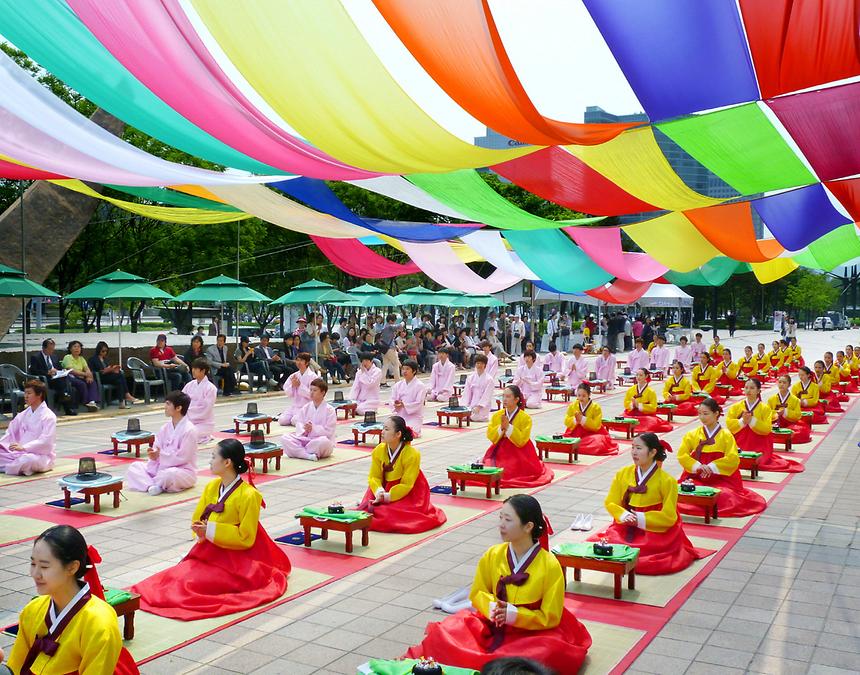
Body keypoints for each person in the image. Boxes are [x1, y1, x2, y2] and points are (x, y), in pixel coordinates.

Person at [405, 495, 591, 674]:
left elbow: (551, 616)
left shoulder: (549, 565)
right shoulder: (493, 554)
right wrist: (492, 608)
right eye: (500, 517)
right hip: (491, 624)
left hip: (531, 631)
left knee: (546, 652)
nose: (501, 524)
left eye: (508, 520)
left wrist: (516, 615)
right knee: (446, 632)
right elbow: (477, 592)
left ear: (528, 526)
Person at [132, 439, 291, 620]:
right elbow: (199, 517)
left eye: (213, 457)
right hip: (208, 551)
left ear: (227, 462)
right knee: (175, 577)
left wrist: (211, 530)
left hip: (236, 560)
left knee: (190, 585)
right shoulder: (212, 486)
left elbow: (246, 537)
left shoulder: (250, 495)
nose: (210, 461)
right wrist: (200, 529)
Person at [3, 525, 131, 675]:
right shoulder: (33, 609)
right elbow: (15, 667)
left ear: (72, 567)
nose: (35, 573)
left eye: (44, 566)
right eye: (33, 564)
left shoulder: (100, 622)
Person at [589, 433, 712, 574]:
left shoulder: (667, 481)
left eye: (639, 448)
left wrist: (641, 519)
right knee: (613, 549)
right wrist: (623, 515)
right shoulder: (622, 473)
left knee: (647, 559)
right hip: (626, 525)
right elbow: (611, 501)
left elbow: (670, 515)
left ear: (653, 452)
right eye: (632, 447)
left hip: (654, 530)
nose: (634, 452)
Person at [676, 398, 766, 518]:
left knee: (725, 496)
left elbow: (733, 458)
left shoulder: (726, 435)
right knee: (686, 491)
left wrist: (711, 467)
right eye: (699, 413)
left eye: (705, 414)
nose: (702, 417)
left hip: (722, 479)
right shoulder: (692, 434)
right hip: (697, 476)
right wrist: (698, 466)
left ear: (716, 413)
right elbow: (682, 455)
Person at [357, 416, 446, 533]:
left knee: (392, 515)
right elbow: (374, 476)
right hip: (383, 487)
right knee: (369, 511)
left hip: (409, 492)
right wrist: (379, 491)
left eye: (387, 429)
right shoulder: (379, 450)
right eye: (383, 428)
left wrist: (388, 497)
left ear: (398, 434)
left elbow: (407, 484)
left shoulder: (412, 454)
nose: (382, 432)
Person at [125, 391, 197, 495]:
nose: (165, 407)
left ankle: (154, 484)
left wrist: (160, 456)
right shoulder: (164, 428)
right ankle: (152, 486)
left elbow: (183, 457)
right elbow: (157, 448)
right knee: (135, 466)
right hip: (160, 467)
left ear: (178, 408)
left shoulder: (189, 430)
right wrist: (153, 454)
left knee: (170, 474)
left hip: (182, 470)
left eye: (168, 404)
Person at [726, 378, 803, 473]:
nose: (748, 390)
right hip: (740, 441)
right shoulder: (735, 407)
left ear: (758, 391)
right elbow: (729, 424)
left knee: (759, 460)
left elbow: (767, 428)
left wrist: (752, 421)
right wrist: (742, 421)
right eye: (746, 388)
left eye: (752, 388)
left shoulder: (764, 408)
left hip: (759, 442)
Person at [483, 386, 553, 488]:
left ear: (516, 399)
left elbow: (522, 440)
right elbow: (490, 435)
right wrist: (501, 428)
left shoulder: (525, 418)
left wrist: (509, 427)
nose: (505, 399)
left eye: (508, 397)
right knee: (490, 468)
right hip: (501, 449)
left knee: (511, 471)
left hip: (520, 451)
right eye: (503, 396)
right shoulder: (497, 415)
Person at [0, 379, 56, 476]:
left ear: (39, 395)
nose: (25, 396)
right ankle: (12, 466)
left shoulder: (48, 416)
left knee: (27, 460)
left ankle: (9, 467)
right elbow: (10, 432)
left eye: (29, 393)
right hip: (18, 452)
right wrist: (3, 444)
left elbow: (46, 442)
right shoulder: (24, 414)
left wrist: (24, 447)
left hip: (40, 456)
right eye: (25, 393)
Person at [281, 378, 336, 461]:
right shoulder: (306, 407)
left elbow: (329, 431)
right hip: (306, 439)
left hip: (319, 441)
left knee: (323, 442)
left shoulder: (330, 410)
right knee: (285, 438)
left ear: (323, 392)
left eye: (315, 390)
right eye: (310, 390)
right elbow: (299, 423)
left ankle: (300, 452)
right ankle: (307, 455)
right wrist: (305, 429)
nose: (311, 392)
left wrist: (313, 429)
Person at [563, 383, 618, 455]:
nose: (581, 398)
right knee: (564, 441)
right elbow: (566, 421)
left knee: (598, 442)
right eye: (579, 395)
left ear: (589, 395)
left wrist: (583, 419)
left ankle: (575, 447)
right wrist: (575, 420)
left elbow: (596, 425)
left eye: (584, 396)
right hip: (575, 434)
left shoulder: (595, 407)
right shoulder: (573, 405)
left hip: (592, 434)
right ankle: (575, 446)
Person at [29, 338, 77, 415]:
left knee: (67, 382)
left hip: (56, 378)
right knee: (64, 386)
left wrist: (62, 371)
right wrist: (47, 372)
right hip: (45, 379)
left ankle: (65, 398)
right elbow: (34, 371)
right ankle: (66, 403)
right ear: (43, 348)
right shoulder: (36, 357)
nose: (51, 351)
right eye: (49, 349)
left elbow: (59, 367)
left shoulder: (54, 357)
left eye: (53, 349)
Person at [88, 341, 136, 408]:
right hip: (100, 377)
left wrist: (112, 369)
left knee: (119, 380)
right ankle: (127, 394)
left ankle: (121, 402)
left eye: (106, 351)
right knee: (120, 375)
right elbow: (92, 371)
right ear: (98, 350)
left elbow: (108, 368)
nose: (104, 353)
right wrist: (103, 371)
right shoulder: (93, 359)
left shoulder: (105, 359)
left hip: (107, 376)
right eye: (103, 351)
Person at [623, 368, 672, 433]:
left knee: (650, 421)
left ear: (646, 376)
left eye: (641, 375)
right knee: (623, 420)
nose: (638, 377)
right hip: (632, 413)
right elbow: (626, 403)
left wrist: (639, 406)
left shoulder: (651, 391)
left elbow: (653, 407)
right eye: (637, 375)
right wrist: (632, 405)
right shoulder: (630, 390)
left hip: (645, 415)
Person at [182, 358, 218, 444]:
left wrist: (189, 410)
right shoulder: (189, 385)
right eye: (192, 368)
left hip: (204, 423)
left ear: (203, 371)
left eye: (196, 369)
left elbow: (206, 409)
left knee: (189, 434)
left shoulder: (211, 388)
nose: (193, 371)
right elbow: (181, 401)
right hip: (188, 421)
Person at [769, 374, 812, 445]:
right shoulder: (771, 399)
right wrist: (776, 413)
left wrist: (785, 412)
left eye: (784, 382)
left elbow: (798, 415)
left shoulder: (795, 400)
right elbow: (767, 413)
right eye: (780, 382)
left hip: (790, 423)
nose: (781, 384)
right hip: (775, 424)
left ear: (789, 385)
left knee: (800, 432)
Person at [389, 360, 427, 437]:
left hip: (414, 416)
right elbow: (392, 399)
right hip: (400, 415)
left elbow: (418, 403)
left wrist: (404, 405)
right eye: (403, 369)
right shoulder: (398, 385)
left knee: (408, 432)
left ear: (414, 371)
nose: (404, 371)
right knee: (391, 430)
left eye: (407, 369)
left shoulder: (420, 386)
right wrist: (395, 404)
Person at [278, 352, 317, 426]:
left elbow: (313, 395)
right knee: (282, 420)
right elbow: (288, 392)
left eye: (301, 360)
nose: (298, 362)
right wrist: (292, 386)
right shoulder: (294, 375)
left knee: (295, 421)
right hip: (295, 406)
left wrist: (300, 386)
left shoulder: (313, 377)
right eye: (297, 360)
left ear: (307, 363)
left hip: (307, 406)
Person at [61, 340, 100, 412]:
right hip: (70, 377)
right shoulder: (67, 357)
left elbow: (87, 369)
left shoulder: (81, 358)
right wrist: (85, 374)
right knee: (82, 384)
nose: (77, 348)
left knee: (92, 382)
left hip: (80, 377)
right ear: (70, 349)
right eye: (75, 347)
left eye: (79, 347)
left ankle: (92, 402)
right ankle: (85, 403)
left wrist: (89, 376)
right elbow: (71, 371)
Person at [463, 354, 495, 422]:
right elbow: (467, 393)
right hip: (472, 405)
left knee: (475, 417)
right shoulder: (470, 378)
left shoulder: (489, 379)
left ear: (485, 365)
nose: (479, 365)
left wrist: (479, 406)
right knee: (463, 417)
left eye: (482, 363)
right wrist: (465, 406)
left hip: (483, 406)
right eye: (478, 363)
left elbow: (487, 395)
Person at [378, 313, 402, 384]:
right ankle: (397, 381)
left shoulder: (384, 327)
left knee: (385, 365)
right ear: (391, 321)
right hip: (390, 348)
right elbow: (399, 326)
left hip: (384, 348)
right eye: (394, 321)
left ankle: (382, 381)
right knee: (396, 364)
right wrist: (403, 321)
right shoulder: (389, 326)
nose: (394, 322)